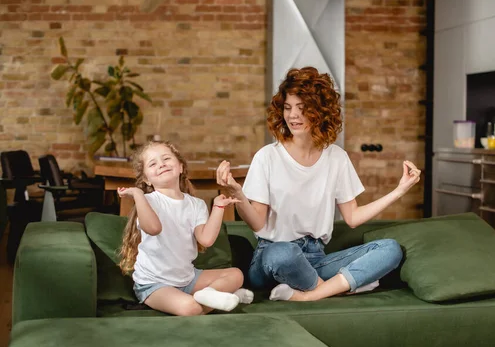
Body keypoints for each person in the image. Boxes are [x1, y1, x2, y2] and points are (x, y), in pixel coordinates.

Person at [216, 66, 421, 302]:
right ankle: (336, 288)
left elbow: (352, 217)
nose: (293, 116)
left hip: (315, 259)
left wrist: (400, 190)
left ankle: (307, 295)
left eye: (303, 109)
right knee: (283, 253)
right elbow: (258, 222)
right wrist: (239, 195)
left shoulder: (336, 158)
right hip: (272, 258)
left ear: (321, 112)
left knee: (390, 249)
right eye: (288, 107)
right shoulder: (267, 156)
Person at [118, 140, 254, 316]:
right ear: (146, 179)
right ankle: (220, 297)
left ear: (181, 167)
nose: (162, 164)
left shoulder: (196, 204)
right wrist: (137, 194)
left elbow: (206, 239)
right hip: (154, 284)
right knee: (191, 308)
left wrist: (218, 207)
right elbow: (153, 228)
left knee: (236, 275)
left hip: (188, 278)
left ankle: (210, 294)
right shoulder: (148, 201)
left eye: (166, 158)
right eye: (153, 164)